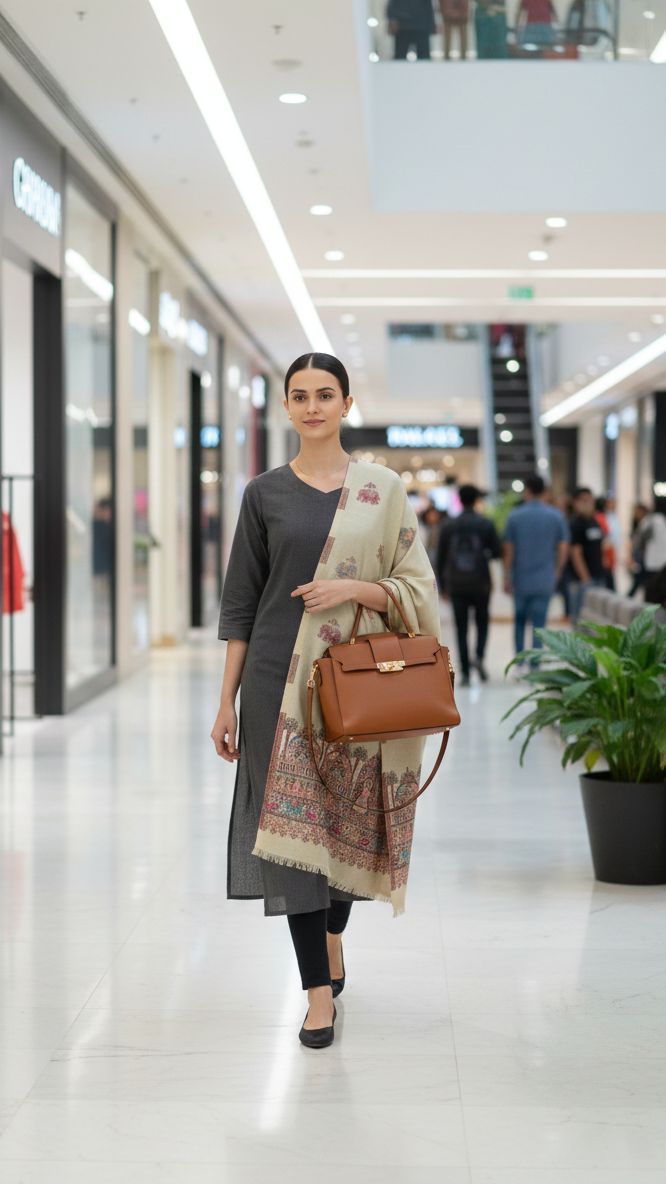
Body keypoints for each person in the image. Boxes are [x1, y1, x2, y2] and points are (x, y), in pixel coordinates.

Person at [212, 352, 440, 1050]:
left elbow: (415, 586)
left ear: (345, 404)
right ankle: (317, 994)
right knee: (291, 840)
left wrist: (355, 590)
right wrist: (225, 701)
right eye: (299, 395)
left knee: (344, 826)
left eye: (325, 394)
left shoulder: (382, 489)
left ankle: (335, 936)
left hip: (353, 682)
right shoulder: (263, 494)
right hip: (274, 685)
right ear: (285, 407)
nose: (312, 406)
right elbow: (240, 603)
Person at [436, 483, 500, 686]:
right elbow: (497, 552)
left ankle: (463, 671)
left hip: (456, 583)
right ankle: (479, 658)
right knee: (482, 622)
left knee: (461, 627)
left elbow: (441, 557)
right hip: (481, 582)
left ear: (460, 500)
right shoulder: (485, 523)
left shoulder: (448, 525)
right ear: (477, 500)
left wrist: (443, 585)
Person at [502, 474, 570, 662]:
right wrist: (558, 569)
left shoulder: (515, 516)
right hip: (545, 577)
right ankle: (535, 663)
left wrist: (506, 575)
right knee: (539, 624)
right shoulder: (556, 516)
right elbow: (564, 546)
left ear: (528, 491)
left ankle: (520, 660)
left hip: (520, 578)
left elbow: (509, 548)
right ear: (544, 492)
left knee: (519, 621)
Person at [567, 487, 607, 625]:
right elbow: (575, 552)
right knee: (579, 617)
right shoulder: (575, 524)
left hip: (597, 574)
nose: (587, 503)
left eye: (590, 500)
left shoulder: (594, 521)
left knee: (594, 619)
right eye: (583, 500)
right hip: (582, 580)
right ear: (576, 503)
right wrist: (585, 578)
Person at [594, 495, 615, 591]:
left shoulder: (603, 517)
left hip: (607, 550)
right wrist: (605, 557)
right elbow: (604, 538)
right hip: (605, 551)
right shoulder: (599, 518)